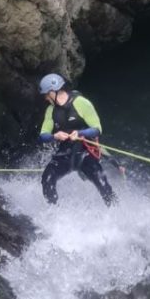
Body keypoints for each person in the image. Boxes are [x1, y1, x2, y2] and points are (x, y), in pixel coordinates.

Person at [37, 73, 116, 206]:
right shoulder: (51, 110)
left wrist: (80, 133)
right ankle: (54, 212)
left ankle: (115, 210)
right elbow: (43, 135)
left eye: (46, 94)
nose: (45, 98)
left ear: (53, 91)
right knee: (47, 178)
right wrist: (54, 136)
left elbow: (97, 129)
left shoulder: (81, 103)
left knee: (102, 184)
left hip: (85, 153)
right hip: (64, 155)